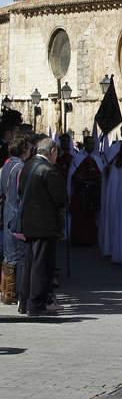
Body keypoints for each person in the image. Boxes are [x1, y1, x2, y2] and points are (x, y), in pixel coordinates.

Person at [18, 138, 67, 316]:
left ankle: (24, 301)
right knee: (41, 265)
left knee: (30, 263)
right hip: (45, 225)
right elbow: (60, 198)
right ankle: (36, 303)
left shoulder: (27, 165)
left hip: (29, 223)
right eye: (57, 153)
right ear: (52, 151)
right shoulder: (48, 170)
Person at [0, 134, 31, 305]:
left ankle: (6, 291)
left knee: (8, 253)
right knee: (17, 254)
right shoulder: (19, 167)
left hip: (7, 211)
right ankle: (11, 292)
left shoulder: (6, 165)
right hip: (15, 212)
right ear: (23, 150)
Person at [68, 136, 103, 247]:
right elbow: (72, 176)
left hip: (92, 193)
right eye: (89, 143)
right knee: (79, 217)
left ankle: (91, 240)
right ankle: (79, 240)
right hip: (80, 192)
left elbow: (101, 174)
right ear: (85, 144)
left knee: (91, 218)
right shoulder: (77, 158)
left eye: (93, 144)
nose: (91, 146)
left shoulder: (97, 158)